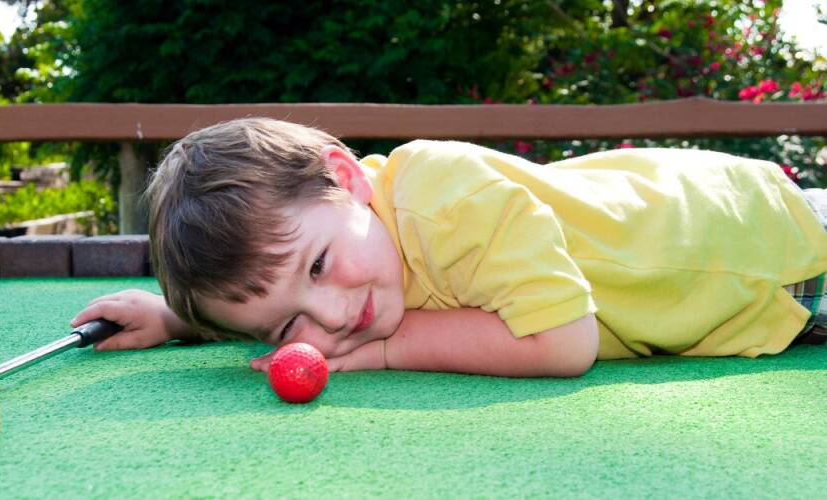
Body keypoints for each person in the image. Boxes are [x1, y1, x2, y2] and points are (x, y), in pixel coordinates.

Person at [70, 118, 827, 377]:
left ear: (345, 177)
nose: (332, 318)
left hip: (777, 252)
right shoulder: (343, 242)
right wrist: (182, 321)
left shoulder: (444, 191)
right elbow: (283, 293)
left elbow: (565, 342)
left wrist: (391, 352)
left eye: (320, 267)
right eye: (281, 327)